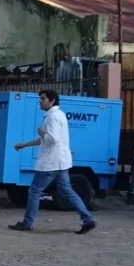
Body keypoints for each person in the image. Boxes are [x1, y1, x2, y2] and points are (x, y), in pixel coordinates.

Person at [9, 89, 97, 234]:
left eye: (42, 99)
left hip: (51, 162)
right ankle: (88, 219)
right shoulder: (58, 115)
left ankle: (27, 223)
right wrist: (25, 144)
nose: (40, 101)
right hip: (60, 162)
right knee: (68, 191)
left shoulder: (52, 117)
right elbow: (47, 139)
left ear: (52, 100)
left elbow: (52, 139)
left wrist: (41, 132)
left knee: (35, 191)